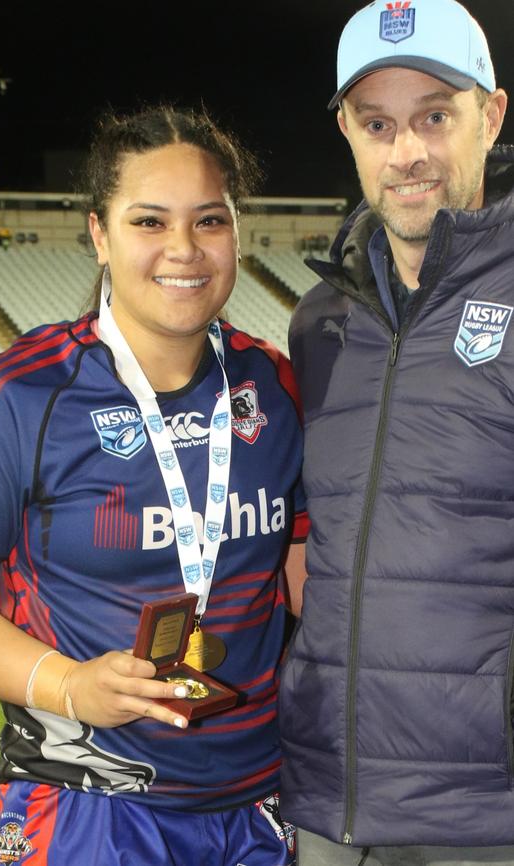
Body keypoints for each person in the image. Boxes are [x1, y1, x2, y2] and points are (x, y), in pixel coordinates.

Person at [0, 106, 308, 866]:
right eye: (149, 220)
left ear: (237, 233)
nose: (183, 248)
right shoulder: (11, 395)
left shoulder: (274, 387)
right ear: (99, 234)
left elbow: (303, 572)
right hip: (84, 805)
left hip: (262, 807)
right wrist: (69, 684)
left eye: (210, 220)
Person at [279, 0, 514, 864]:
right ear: (347, 130)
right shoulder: (320, 321)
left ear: (491, 116)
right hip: (328, 799)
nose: (406, 151)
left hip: (486, 811)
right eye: (378, 123)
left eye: (435, 118)